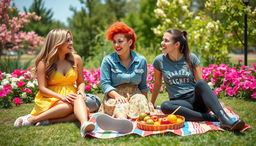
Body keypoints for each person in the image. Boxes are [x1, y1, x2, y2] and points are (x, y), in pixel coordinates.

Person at [150, 29, 245, 131]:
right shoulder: (159, 61)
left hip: (198, 101)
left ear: (176, 44)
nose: (162, 43)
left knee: (201, 83)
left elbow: (201, 84)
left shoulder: (191, 58)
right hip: (180, 104)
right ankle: (212, 118)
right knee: (165, 106)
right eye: (162, 40)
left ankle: (224, 118)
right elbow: (157, 84)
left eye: (166, 40)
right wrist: (151, 104)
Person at [14, 29, 95, 137]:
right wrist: (62, 97)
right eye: (67, 40)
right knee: (79, 109)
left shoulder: (77, 59)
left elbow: (81, 82)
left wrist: (81, 91)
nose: (71, 43)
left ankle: (83, 124)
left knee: (81, 104)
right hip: (50, 97)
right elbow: (42, 88)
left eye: (71, 39)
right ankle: (34, 119)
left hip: (72, 96)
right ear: (57, 43)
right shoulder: (44, 62)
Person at [96, 22, 155, 133]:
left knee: (140, 100)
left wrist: (146, 102)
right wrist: (117, 96)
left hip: (135, 93)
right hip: (115, 94)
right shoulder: (108, 60)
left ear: (130, 42)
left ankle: (139, 121)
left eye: (120, 41)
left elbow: (142, 85)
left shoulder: (141, 60)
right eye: (114, 42)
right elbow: (105, 84)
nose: (116, 45)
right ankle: (120, 122)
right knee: (121, 104)